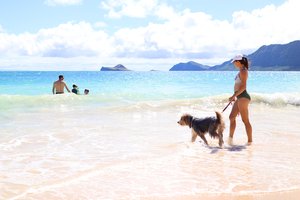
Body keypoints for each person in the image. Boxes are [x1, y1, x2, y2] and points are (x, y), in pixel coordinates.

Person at [228, 54, 252, 145]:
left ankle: (250, 142)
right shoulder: (241, 71)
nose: (234, 64)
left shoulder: (243, 71)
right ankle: (230, 140)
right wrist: (235, 96)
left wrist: (233, 96)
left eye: (234, 62)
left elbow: (243, 87)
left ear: (238, 61)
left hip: (243, 97)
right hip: (239, 97)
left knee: (245, 121)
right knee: (231, 117)